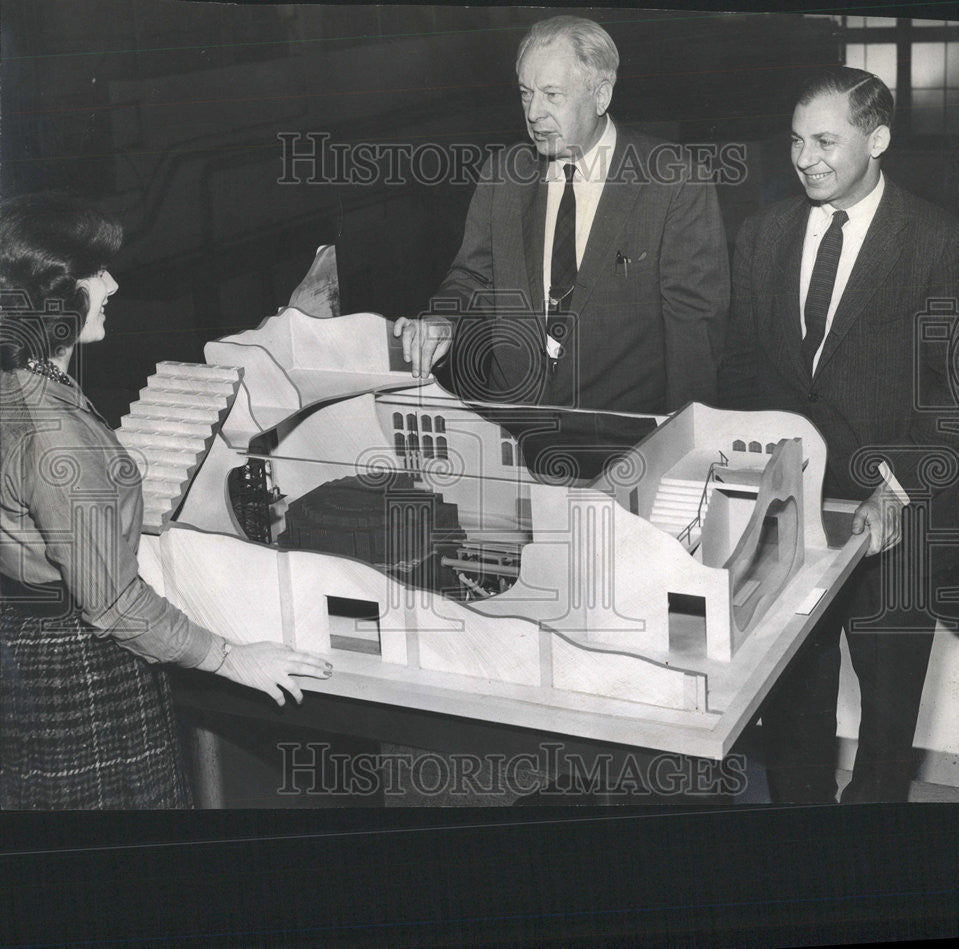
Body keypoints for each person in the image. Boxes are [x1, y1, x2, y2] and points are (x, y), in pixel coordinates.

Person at [0, 193, 333, 809]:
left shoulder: (19, 386)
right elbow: (113, 604)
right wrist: (231, 657)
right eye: (95, 272)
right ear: (55, 293)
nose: (113, 283)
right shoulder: (54, 429)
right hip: (84, 673)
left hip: (27, 649)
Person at [719, 67, 959, 803]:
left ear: (879, 139)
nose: (805, 158)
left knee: (887, 722)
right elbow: (741, 370)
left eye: (826, 140)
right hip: (793, 515)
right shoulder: (761, 234)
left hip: (897, 515)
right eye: (797, 140)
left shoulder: (940, 241)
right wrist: (749, 479)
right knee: (793, 710)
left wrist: (893, 492)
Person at [393, 15, 729, 480]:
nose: (533, 113)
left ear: (601, 94)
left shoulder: (673, 181)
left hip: (624, 452)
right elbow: (472, 277)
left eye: (552, 95)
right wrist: (443, 319)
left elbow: (694, 337)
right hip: (510, 446)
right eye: (526, 94)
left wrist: (684, 462)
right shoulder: (503, 175)